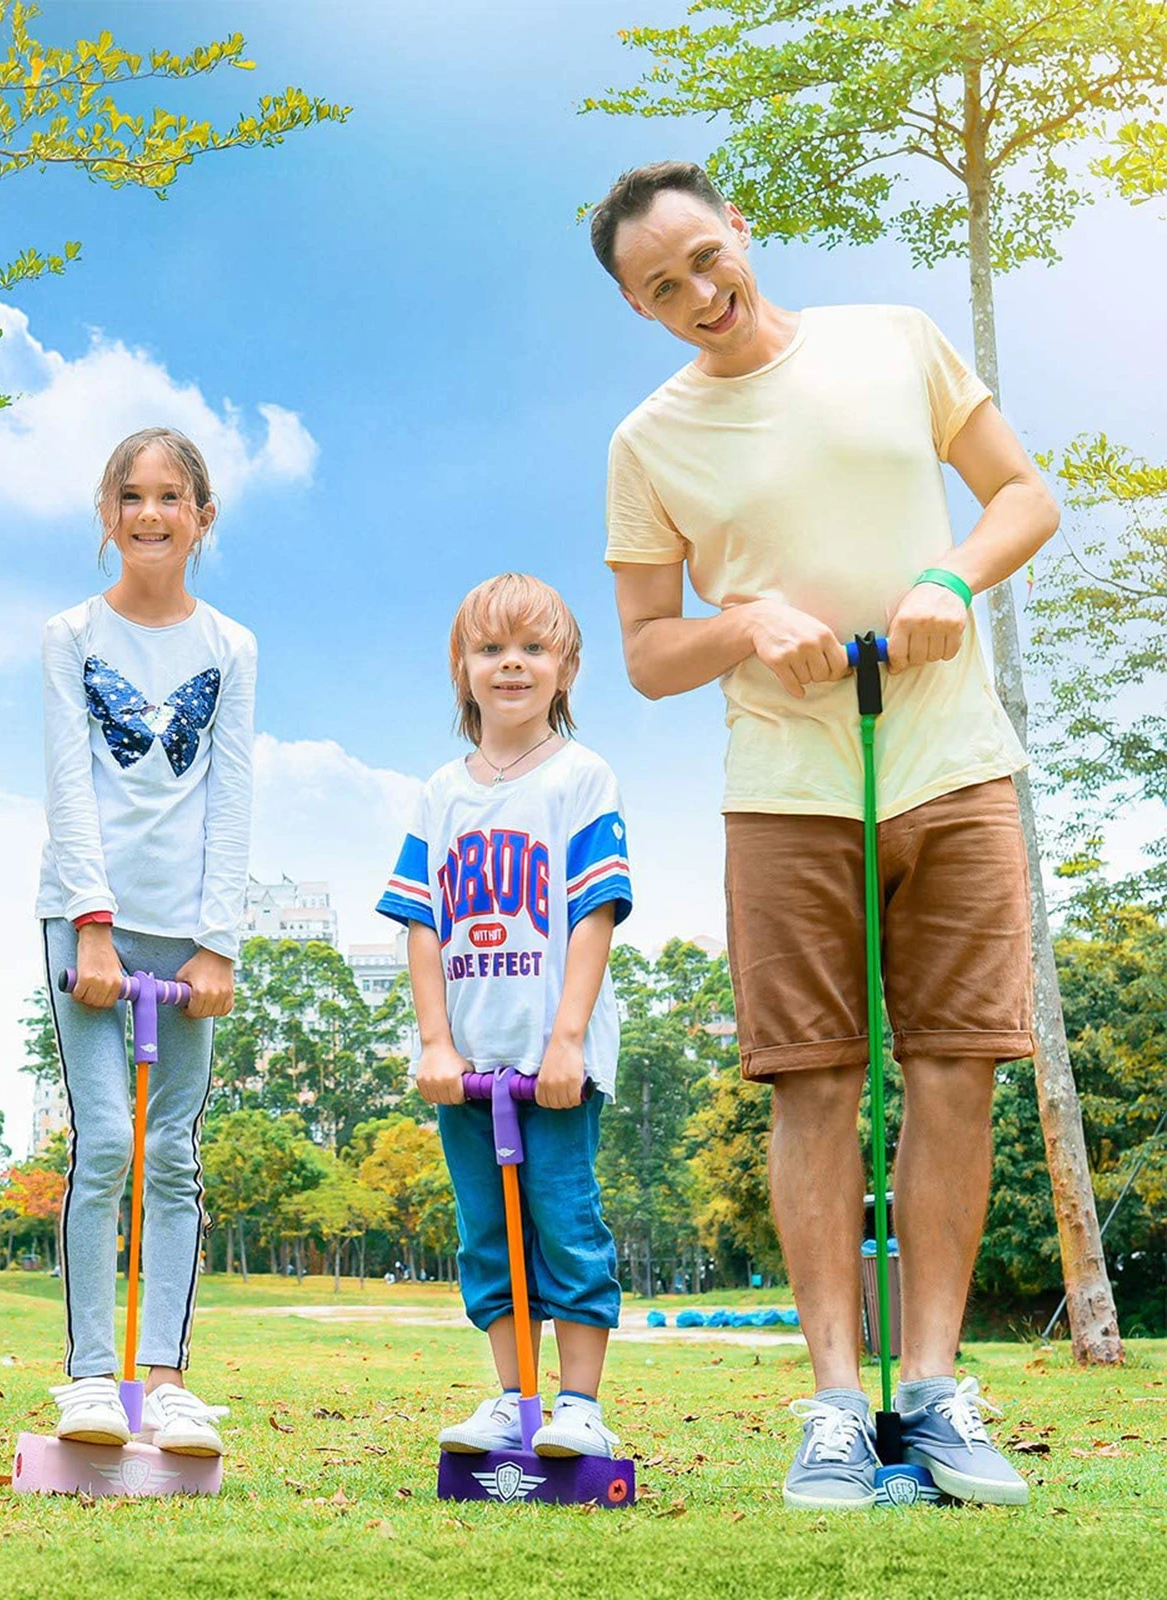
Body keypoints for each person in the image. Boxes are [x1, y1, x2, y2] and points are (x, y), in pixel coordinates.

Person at [590, 160, 1056, 1508]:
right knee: (817, 1083)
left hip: (953, 763)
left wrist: (943, 576)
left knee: (960, 1070)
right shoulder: (647, 442)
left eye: (700, 257)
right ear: (639, 308)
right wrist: (747, 623)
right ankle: (838, 1407)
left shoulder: (893, 340)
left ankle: (933, 1392)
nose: (696, 293)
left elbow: (1023, 495)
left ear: (741, 224)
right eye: (659, 288)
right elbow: (647, 652)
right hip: (789, 787)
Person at [377, 574, 632, 1458]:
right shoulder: (442, 790)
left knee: (565, 1224)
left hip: (551, 1060)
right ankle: (510, 1397)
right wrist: (435, 1040)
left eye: (533, 648)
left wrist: (566, 1042)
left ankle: (579, 1407)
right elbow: (420, 923)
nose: (511, 664)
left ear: (566, 669)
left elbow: (595, 911)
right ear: (463, 669)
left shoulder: (581, 776)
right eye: (490, 649)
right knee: (487, 1235)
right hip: (470, 1065)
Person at [39, 426, 255, 1457]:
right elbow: (68, 785)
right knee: (108, 1143)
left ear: (201, 517)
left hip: (187, 933)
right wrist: (88, 925)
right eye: (131, 494)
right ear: (107, 512)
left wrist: (218, 943)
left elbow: (231, 797)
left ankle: (165, 1379)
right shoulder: (69, 635)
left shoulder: (230, 646)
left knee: (171, 1152)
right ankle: (89, 1376)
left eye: (172, 496)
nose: (151, 513)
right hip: (89, 924)